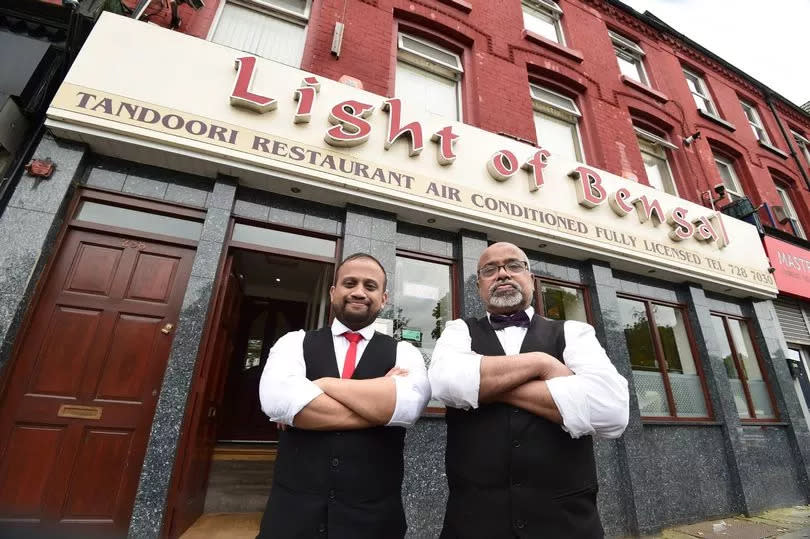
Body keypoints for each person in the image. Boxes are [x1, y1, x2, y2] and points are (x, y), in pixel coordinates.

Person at [429, 242, 629, 539]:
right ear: (479, 285)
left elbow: (611, 411)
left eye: (513, 265)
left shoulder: (574, 332)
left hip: (567, 524)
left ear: (530, 278)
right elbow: (445, 382)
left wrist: (481, 384)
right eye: (490, 269)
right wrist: (543, 365)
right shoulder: (458, 330)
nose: (502, 274)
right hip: (473, 524)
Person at [257, 253, 430, 539]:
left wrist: (321, 385)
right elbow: (277, 401)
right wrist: (380, 406)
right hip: (292, 518)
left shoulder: (405, 352)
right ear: (334, 292)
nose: (359, 292)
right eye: (350, 283)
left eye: (370, 286)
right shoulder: (293, 342)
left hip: (374, 521)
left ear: (384, 299)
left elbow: (407, 408)